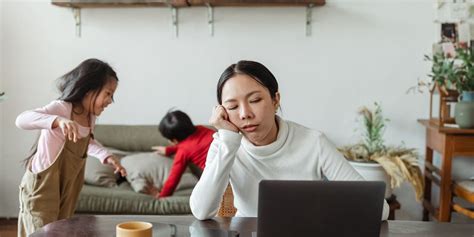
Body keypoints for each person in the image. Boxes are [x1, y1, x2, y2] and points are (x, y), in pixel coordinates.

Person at [190, 60, 389, 220]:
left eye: (255, 100)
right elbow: (201, 211)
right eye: (232, 107)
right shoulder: (225, 144)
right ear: (222, 112)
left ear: (275, 100)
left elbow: (379, 209)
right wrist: (229, 141)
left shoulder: (313, 142)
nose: (244, 114)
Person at [15, 58, 127, 237]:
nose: (110, 101)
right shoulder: (61, 108)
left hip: (68, 188)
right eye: (108, 94)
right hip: (42, 188)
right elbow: (21, 120)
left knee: (60, 231)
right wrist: (56, 121)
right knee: (40, 232)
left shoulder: (90, 117)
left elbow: (86, 142)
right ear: (89, 90)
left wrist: (107, 156)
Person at [151, 110, 214, 198]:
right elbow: (194, 144)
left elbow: (173, 178)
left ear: (174, 140)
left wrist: (162, 195)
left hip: (218, 177)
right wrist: (169, 150)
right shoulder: (201, 128)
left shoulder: (183, 152)